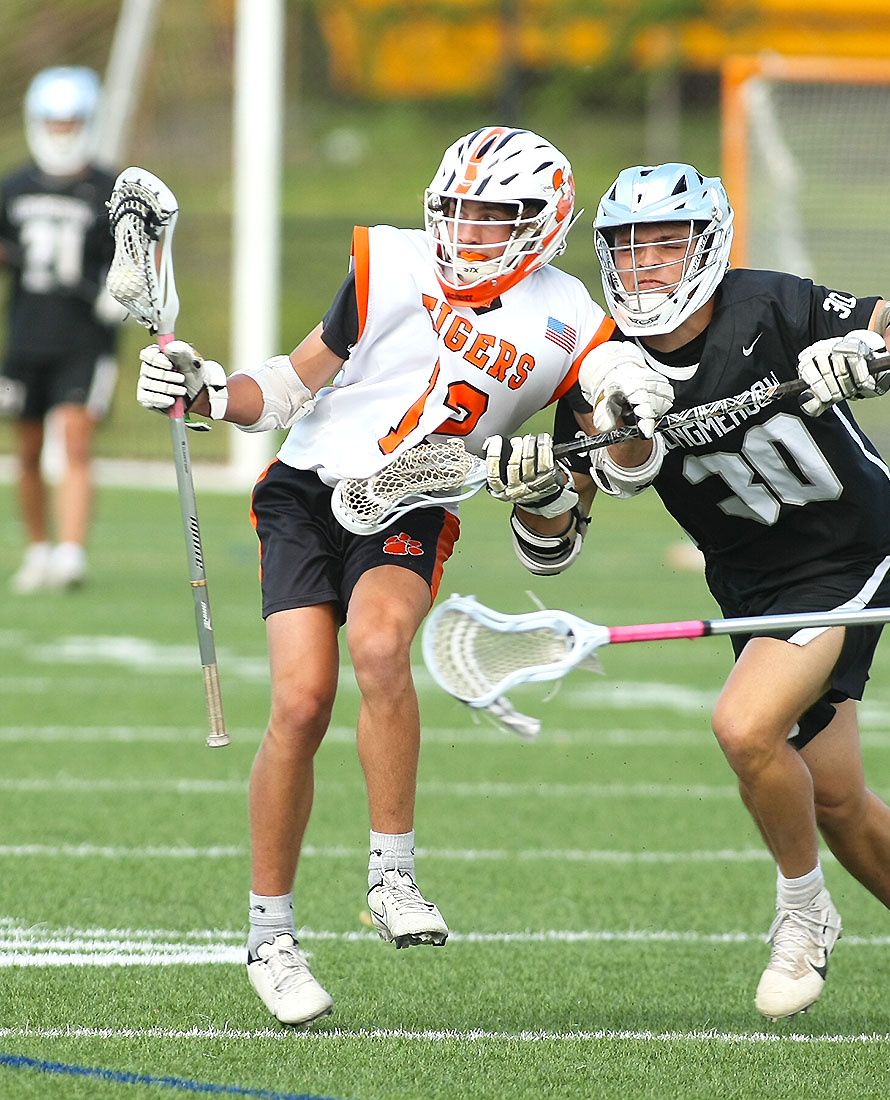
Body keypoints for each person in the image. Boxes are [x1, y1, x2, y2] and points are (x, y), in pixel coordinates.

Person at [482, 161, 890, 1029]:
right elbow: (555, 550)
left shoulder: (767, 305)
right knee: (831, 796)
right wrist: (537, 493)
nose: (645, 268)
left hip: (847, 553)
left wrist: (875, 357)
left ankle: (801, 912)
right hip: (751, 587)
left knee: (743, 726)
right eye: (627, 250)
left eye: (665, 244)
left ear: (707, 243)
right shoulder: (602, 368)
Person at [135, 125, 615, 1027]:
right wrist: (202, 390)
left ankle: (391, 873)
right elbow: (288, 385)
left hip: (415, 499)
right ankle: (270, 937)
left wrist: (547, 486)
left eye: (493, 215)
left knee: (384, 643)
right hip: (308, 490)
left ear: (543, 222)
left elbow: (576, 505)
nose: (468, 232)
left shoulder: (578, 326)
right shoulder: (390, 266)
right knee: (301, 702)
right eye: (458, 212)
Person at [0, 66, 124, 592]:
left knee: (75, 440)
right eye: (54, 121)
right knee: (26, 449)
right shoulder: (14, 187)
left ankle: (71, 552)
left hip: (84, 339)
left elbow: (138, 258)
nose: (62, 131)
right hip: (28, 334)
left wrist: (119, 291)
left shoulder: (109, 189)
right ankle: (38, 550)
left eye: (72, 121)